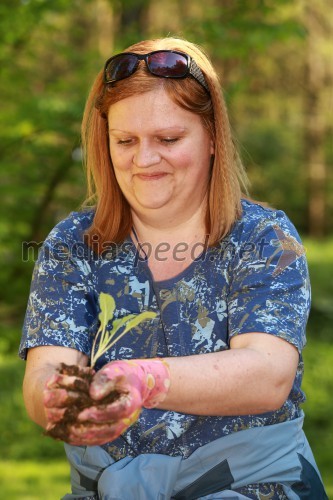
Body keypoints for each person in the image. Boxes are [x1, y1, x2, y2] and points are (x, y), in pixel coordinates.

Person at [19, 37, 328, 499]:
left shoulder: (264, 238)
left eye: (168, 139)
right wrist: (59, 402)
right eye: (125, 141)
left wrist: (145, 381)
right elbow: (45, 375)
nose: (144, 160)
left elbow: (268, 375)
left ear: (212, 139)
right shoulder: (74, 244)